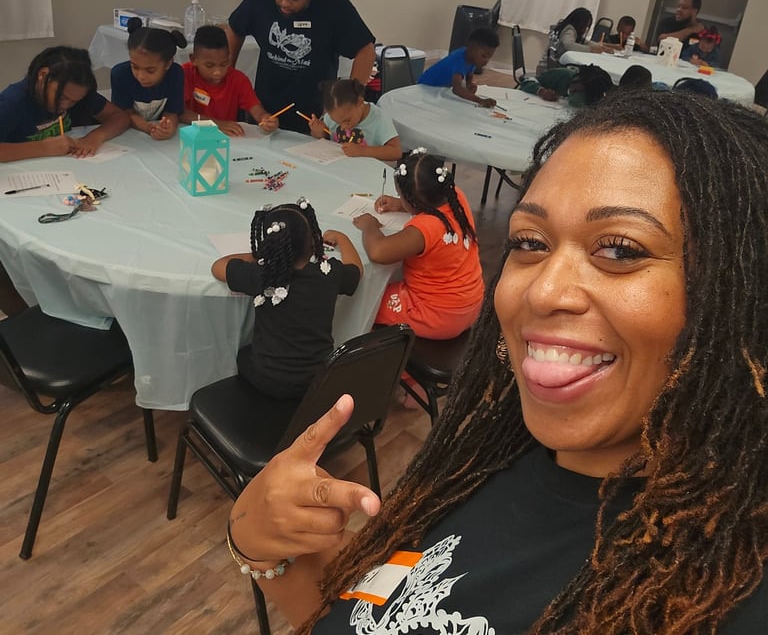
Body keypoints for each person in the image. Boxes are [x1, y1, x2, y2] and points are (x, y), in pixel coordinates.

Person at [227, 89, 768, 634]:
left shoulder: (723, 592)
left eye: (621, 249)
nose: (542, 291)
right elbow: (363, 618)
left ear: (745, 296)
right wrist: (260, 546)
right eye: (530, 242)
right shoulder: (485, 463)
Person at [211, 199, 362, 399]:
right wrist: (342, 238)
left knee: (243, 351)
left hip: (266, 379)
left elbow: (218, 266)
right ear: (313, 241)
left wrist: (265, 254)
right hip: (317, 378)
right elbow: (357, 270)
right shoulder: (330, 274)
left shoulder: (262, 275)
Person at [226, 0, 376, 134]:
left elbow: (366, 51)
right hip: (265, 110)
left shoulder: (334, 5)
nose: (285, 3)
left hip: (314, 115)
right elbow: (235, 29)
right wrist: (228, 74)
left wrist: (350, 99)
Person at [350, 150, 483, 340]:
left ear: (413, 201)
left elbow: (378, 251)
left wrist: (369, 226)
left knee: (366, 300)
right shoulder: (456, 197)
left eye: (401, 195)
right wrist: (400, 203)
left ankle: (392, 364)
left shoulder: (424, 227)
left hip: (436, 315)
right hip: (470, 305)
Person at [0, 46, 129, 162]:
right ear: (43, 75)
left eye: (74, 101)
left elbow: (119, 117)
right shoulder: (12, 103)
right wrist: (43, 148)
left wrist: (95, 137)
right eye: (62, 97)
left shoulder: (76, 91)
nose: (66, 105)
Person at [180, 25, 277, 136]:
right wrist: (216, 124)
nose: (218, 72)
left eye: (224, 64)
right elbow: (181, 113)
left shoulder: (238, 80)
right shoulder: (184, 74)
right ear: (193, 59)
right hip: (191, 136)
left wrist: (266, 119)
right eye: (209, 65)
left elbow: (256, 110)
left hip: (226, 139)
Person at [111, 17, 186, 140]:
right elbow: (125, 113)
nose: (141, 76)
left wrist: (168, 127)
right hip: (128, 136)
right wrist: (149, 128)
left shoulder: (176, 74)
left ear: (168, 64)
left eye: (150, 70)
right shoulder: (120, 74)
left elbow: (172, 112)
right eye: (134, 67)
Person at [308, 78, 402, 161]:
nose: (343, 126)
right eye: (337, 122)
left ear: (360, 103)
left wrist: (362, 151)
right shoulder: (333, 115)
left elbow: (396, 152)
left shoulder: (379, 119)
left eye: (347, 120)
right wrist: (318, 132)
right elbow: (324, 138)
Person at [417, 27, 499, 107]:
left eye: (489, 57)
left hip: (440, 87)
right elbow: (457, 89)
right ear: (471, 47)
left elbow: (469, 73)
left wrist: (469, 84)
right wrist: (480, 100)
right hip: (425, 88)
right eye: (483, 56)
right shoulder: (458, 60)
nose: (486, 61)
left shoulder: (472, 58)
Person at [518, 64, 614, 106]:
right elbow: (527, 81)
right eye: (575, 90)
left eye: (578, 92)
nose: (572, 91)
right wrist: (541, 91)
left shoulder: (595, 94)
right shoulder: (562, 75)